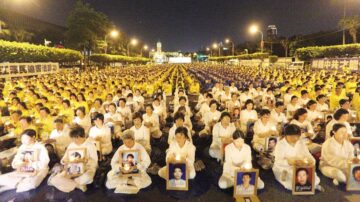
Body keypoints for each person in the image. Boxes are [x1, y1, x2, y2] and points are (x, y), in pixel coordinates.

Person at [272, 124, 323, 191]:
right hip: (284, 168)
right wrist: (290, 162)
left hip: (301, 166)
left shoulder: (301, 142)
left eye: (297, 136)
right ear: (286, 135)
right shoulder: (280, 144)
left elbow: (307, 155)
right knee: (291, 183)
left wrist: (311, 161)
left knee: (313, 178)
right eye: (292, 137)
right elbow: (278, 161)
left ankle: (313, 185)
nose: (295, 139)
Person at [49, 125, 98, 192]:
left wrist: (83, 160)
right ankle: (77, 185)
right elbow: (63, 160)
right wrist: (65, 161)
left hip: (86, 169)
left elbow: (95, 162)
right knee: (53, 180)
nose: (74, 140)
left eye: (76, 138)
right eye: (73, 138)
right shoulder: (71, 145)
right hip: (71, 169)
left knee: (87, 177)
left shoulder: (90, 145)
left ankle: (68, 183)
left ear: (82, 136)